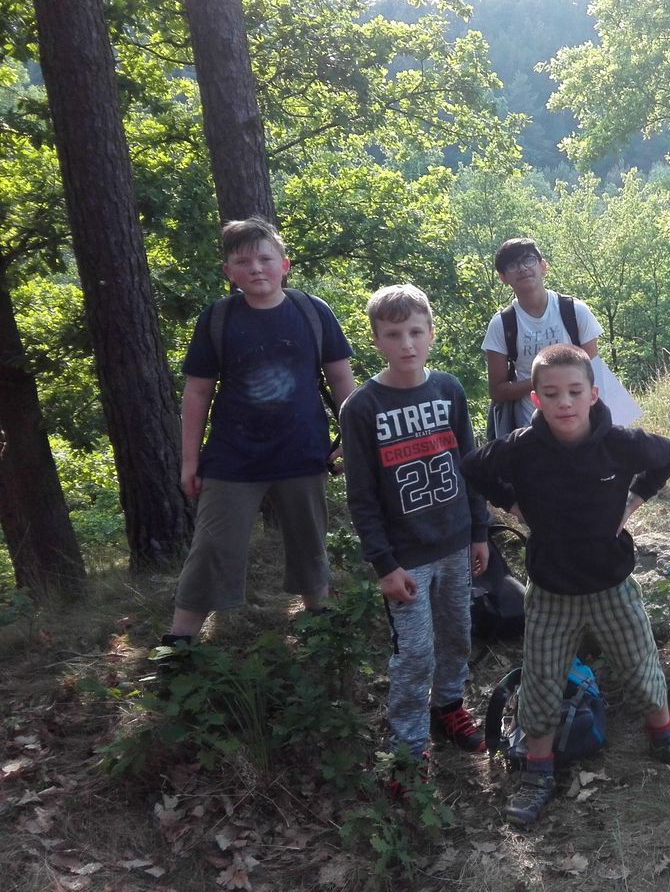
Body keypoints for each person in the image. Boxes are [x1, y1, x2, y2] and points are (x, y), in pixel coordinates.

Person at [461, 344, 670, 826]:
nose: (564, 402)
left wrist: (634, 500)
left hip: (611, 584)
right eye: (551, 393)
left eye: (574, 391)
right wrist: (512, 505)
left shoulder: (619, 443)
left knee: (641, 667)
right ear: (535, 398)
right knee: (541, 681)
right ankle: (538, 771)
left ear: (593, 394)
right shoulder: (521, 447)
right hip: (551, 590)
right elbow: (473, 468)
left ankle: (666, 739)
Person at [162, 216, 356, 647]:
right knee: (212, 545)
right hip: (232, 456)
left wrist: (352, 439)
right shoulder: (217, 319)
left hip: (303, 451)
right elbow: (197, 392)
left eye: (265, 259)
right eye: (243, 261)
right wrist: (190, 462)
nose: (256, 268)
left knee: (309, 543)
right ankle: (179, 641)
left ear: (284, 265)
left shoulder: (313, 312)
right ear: (228, 272)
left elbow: (342, 379)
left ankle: (321, 623)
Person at [339, 284, 491, 763]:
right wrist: (384, 564)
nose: (406, 344)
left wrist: (480, 532)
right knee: (415, 652)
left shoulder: (448, 389)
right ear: (376, 340)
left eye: (415, 332)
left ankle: (449, 706)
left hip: (455, 543)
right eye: (393, 334)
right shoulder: (362, 407)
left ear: (431, 333)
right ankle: (407, 749)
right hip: (406, 557)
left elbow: (470, 466)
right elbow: (362, 495)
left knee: (457, 633)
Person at [481, 237, 603, 435]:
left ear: (543, 266)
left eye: (528, 260)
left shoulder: (575, 311)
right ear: (503, 277)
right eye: (512, 265)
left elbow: (595, 372)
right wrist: (544, 381)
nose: (522, 268)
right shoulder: (501, 324)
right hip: (531, 430)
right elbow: (497, 391)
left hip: (582, 425)